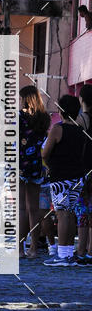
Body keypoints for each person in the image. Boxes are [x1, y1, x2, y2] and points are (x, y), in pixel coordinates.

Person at [42, 94, 86, 267]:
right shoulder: (80, 130)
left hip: (60, 177)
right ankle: (68, 253)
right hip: (77, 176)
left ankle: (61, 255)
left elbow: (45, 153)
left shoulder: (57, 129)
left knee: (61, 214)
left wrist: (47, 164)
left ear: (61, 111)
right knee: (70, 214)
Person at [18, 85, 51, 259]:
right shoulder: (44, 117)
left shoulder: (18, 116)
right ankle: (34, 249)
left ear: (25, 99)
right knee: (34, 209)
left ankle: (20, 249)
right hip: (37, 165)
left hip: (20, 164)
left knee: (22, 208)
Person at [75, 84, 92, 264]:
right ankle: (90, 251)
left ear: (81, 99)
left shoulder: (81, 119)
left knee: (83, 211)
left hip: (84, 169)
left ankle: (80, 250)